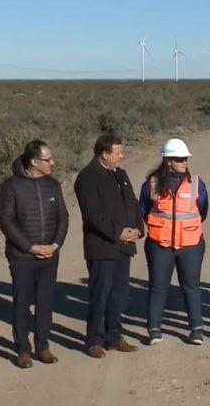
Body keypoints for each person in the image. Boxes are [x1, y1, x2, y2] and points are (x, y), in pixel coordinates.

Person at [0, 140, 69, 368]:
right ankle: (22, 349)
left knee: (45, 302)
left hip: (50, 255)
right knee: (22, 303)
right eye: (48, 160)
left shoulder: (53, 185)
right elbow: (7, 222)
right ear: (34, 162)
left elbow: (63, 218)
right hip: (22, 257)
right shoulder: (11, 186)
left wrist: (55, 245)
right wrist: (31, 247)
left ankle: (42, 347)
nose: (53, 163)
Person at [74, 134, 144, 358]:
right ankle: (94, 340)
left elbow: (132, 203)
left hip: (124, 247)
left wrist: (136, 228)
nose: (122, 156)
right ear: (104, 154)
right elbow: (92, 214)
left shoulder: (120, 174)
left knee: (119, 294)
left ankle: (114, 336)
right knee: (100, 294)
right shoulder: (87, 178)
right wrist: (118, 232)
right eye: (118, 153)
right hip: (102, 247)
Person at [139, 138, 209, 345]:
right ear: (168, 161)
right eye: (179, 159)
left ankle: (196, 329)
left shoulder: (196, 183)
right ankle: (154, 329)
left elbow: (202, 210)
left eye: (186, 158)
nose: (184, 162)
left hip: (190, 244)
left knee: (191, 286)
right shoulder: (151, 183)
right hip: (160, 244)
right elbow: (143, 209)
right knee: (158, 286)